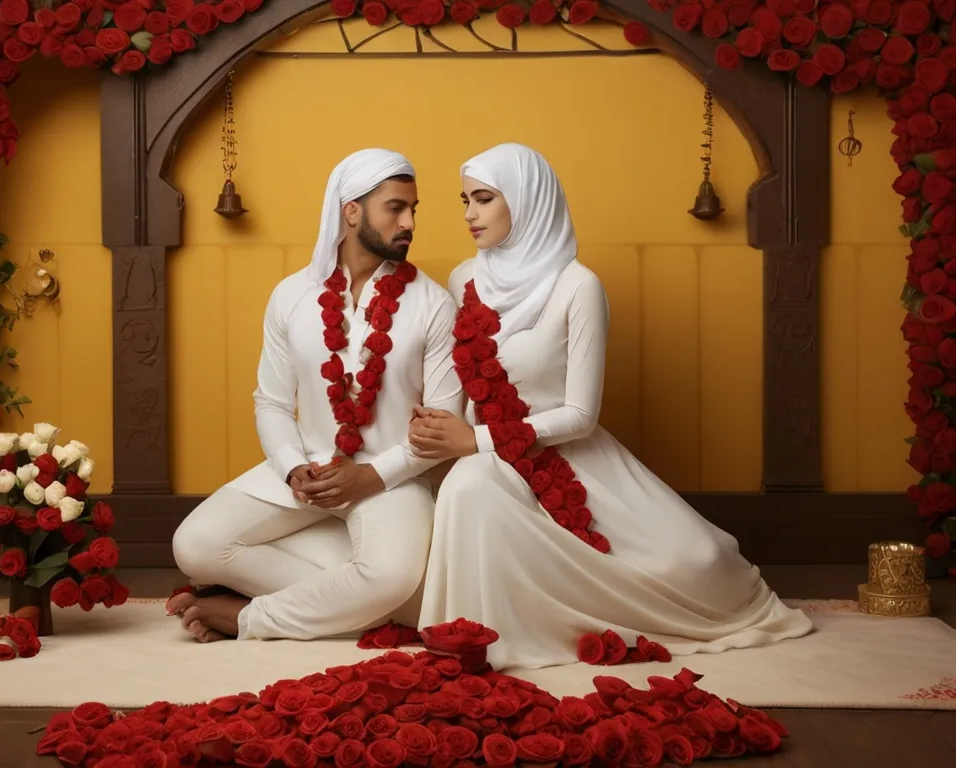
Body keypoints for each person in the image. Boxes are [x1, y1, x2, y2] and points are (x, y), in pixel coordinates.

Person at [409, 143, 814, 670]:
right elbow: (465, 386)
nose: (468, 214)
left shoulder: (579, 286)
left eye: (483, 199)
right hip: (489, 459)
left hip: (570, 455)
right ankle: (484, 634)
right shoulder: (464, 279)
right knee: (467, 490)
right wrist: (454, 441)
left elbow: (581, 415)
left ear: (528, 200)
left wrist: (476, 440)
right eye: (465, 200)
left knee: (698, 564)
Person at [168, 148, 463, 643]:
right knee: (194, 546)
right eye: (395, 207)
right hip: (305, 470)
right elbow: (273, 402)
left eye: (413, 209)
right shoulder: (292, 295)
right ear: (351, 210)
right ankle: (358, 604)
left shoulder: (433, 304)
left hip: (392, 477)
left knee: (391, 576)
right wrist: (290, 466)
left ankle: (248, 615)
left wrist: (372, 475)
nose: (409, 221)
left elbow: (441, 424)